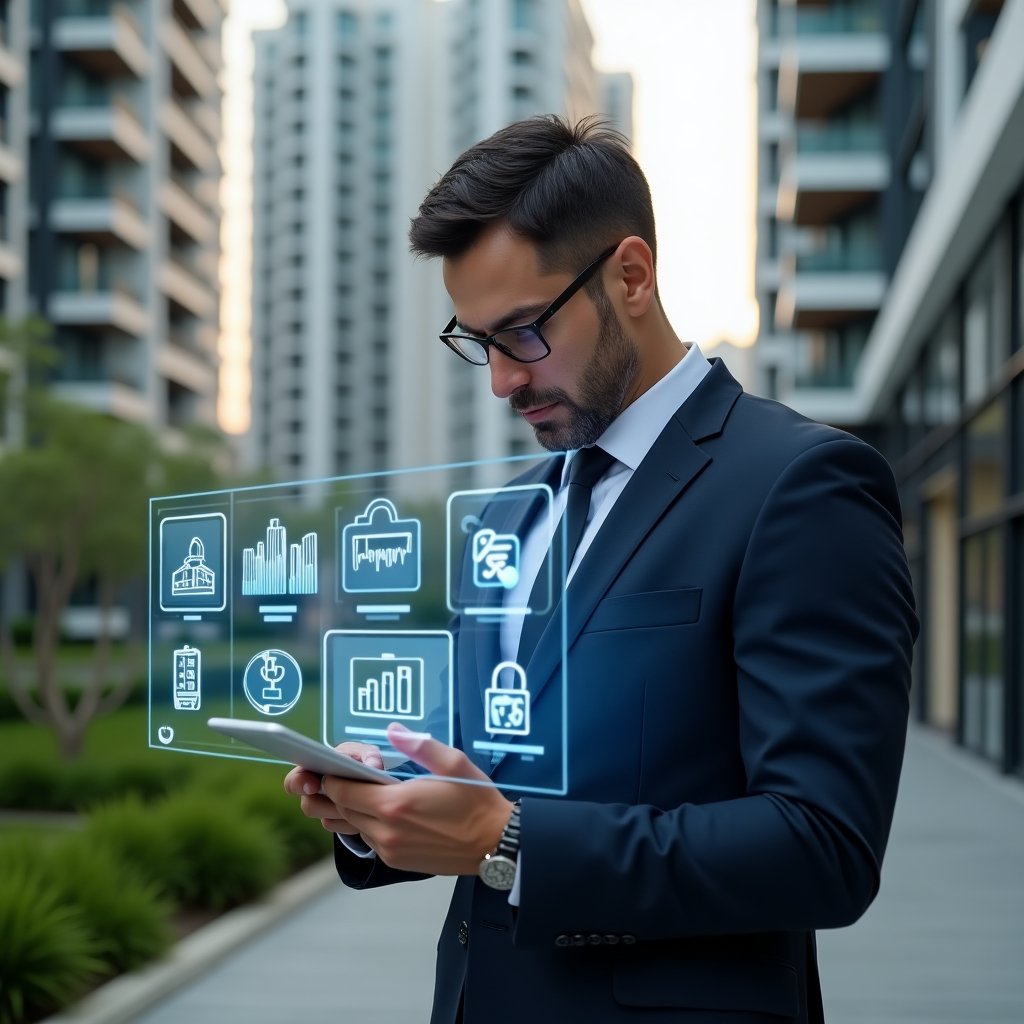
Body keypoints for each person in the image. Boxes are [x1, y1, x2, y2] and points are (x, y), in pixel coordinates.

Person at [285, 115, 918, 1023]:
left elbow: (824, 846)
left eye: (524, 333)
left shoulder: (803, 485)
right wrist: (381, 810)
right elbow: (486, 773)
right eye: (477, 343)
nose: (502, 380)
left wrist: (511, 841)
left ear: (631, 275)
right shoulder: (509, 512)